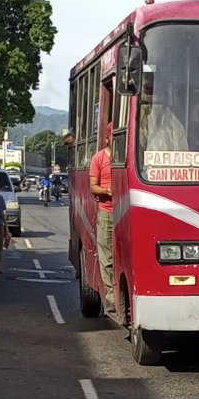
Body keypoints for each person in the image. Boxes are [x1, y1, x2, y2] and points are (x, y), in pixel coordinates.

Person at [90, 122, 115, 316]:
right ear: (107, 138)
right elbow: (93, 187)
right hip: (106, 211)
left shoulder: (129, 157)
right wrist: (107, 190)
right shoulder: (98, 158)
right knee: (107, 258)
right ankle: (111, 298)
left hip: (127, 212)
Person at [138, 73, 188, 152]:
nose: (149, 93)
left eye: (150, 89)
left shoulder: (172, 121)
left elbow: (183, 153)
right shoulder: (135, 115)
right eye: (147, 89)